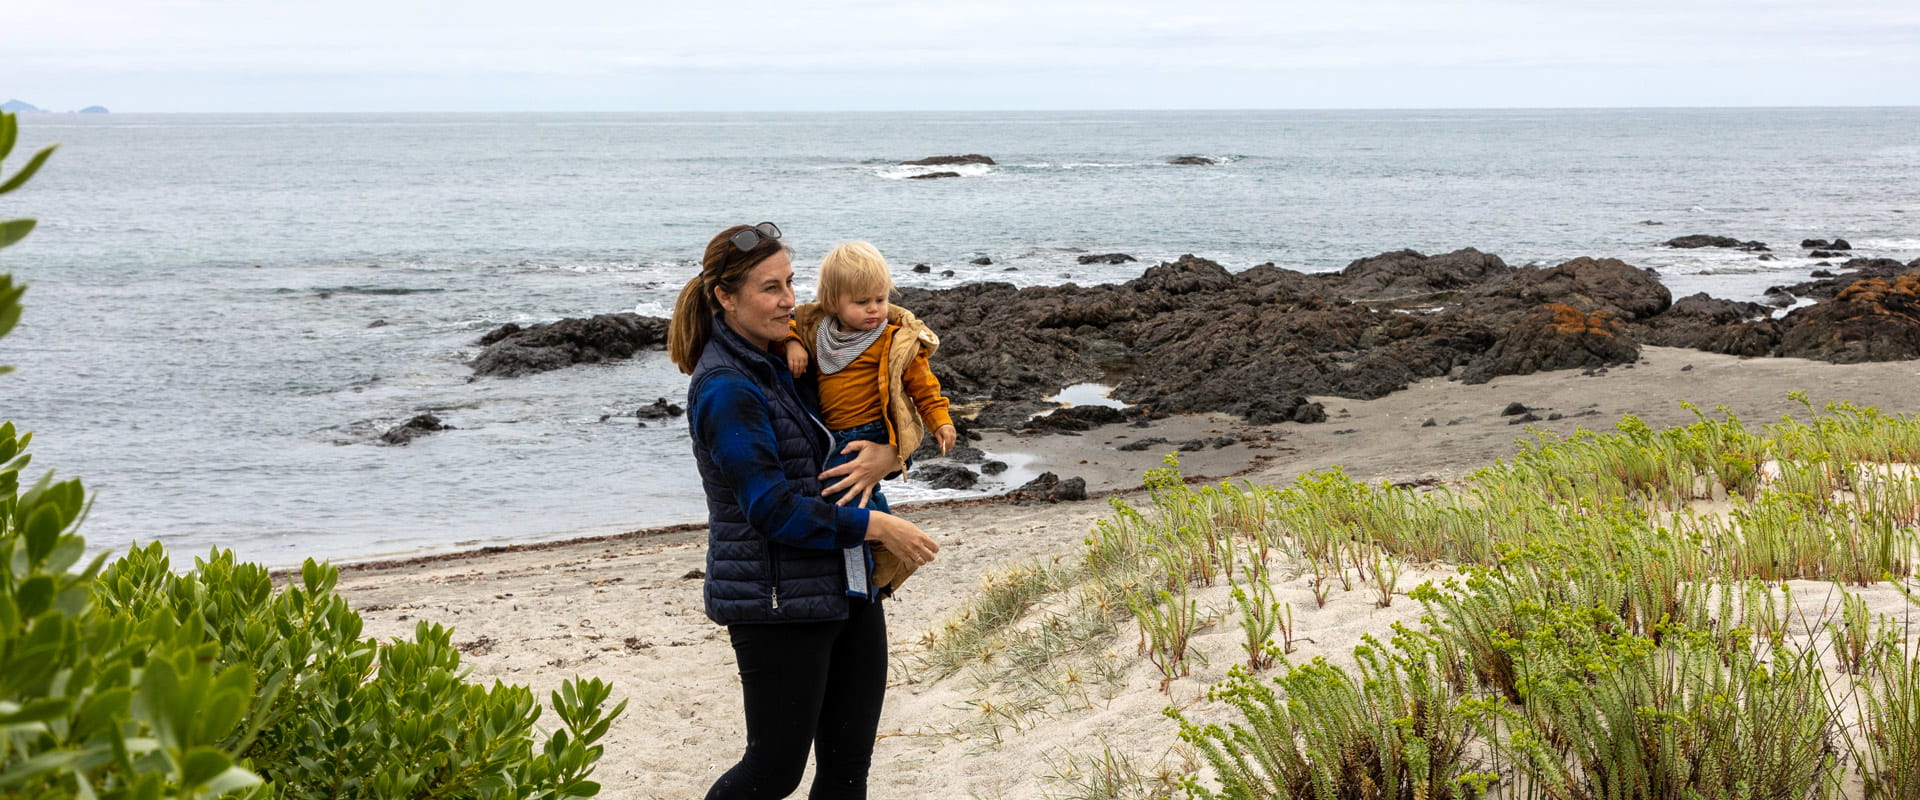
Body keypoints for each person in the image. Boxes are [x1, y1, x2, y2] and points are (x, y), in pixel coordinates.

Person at [669, 221, 940, 800]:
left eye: (791, 282)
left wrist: (889, 455)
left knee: (846, 773)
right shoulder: (727, 387)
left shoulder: (791, 362)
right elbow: (772, 509)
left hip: (847, 584)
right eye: (771, 288)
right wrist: (878, 524)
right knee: (773, 771)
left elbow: (849, 438)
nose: (790, 299)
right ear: (725, 296)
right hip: (776, 601)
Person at [781, 240, 955, 594]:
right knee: (847, 493)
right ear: (833, 301)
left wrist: (941, 420)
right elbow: (789, 321)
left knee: (849, 496)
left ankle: (880, 558)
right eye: (861, 303)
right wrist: (791, 343)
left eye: (880, 299)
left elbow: (924, 386)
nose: (874, 309)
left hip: (870, 431)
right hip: (832, 433)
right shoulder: (817, 331)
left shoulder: (893, 339)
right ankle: (883, 551)